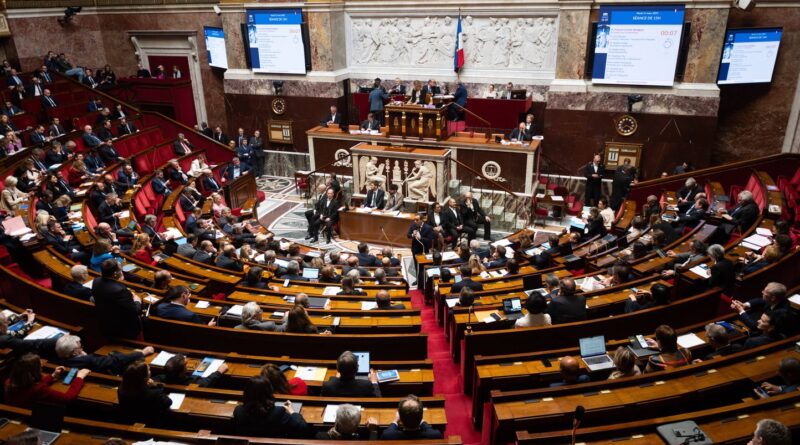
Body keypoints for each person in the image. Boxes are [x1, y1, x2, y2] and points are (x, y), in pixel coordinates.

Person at [233, 376, 310, 438]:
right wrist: (292, 412)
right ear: (269, 392)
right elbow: (303, 428)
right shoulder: (278, 412)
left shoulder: (238, 411)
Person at [4, 353, 90, 408]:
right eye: (40, 366)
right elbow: (68, 398)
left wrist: (52, 376)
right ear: (35, 371)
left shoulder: (9, 381)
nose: (41, 366)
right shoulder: (39, 390)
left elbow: (31, 387)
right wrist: (79, 378)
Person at [93, 259, 142, 339]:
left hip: (105, 322)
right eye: (120, 269)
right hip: (122, 330)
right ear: (115, 273)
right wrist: (137, 301)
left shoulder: (96, 281)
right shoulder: (120, 290)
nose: (122, 270)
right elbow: (135, 311)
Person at [54, 334, 151, 375]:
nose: (82, 348)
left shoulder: (60, 359)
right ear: (74, 352)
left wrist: (80, 355)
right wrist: (142, 353)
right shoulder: (89, 360)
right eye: (80, 347)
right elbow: (115, 361)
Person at [117, 360, 172, 424]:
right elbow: (168, 402)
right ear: (145, 379)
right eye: (148, 370)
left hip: (128, 421)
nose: (150, 370)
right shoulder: (155, 394)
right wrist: (154, 386)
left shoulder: (121, 389)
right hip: (150, 423)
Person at [153, 353, 227, 388]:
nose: (187, 367)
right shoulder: (189, 382)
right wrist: (219, 372)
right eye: (185, 366)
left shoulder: (158, 378)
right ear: (181, 373)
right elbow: (206, 383)